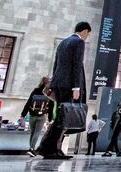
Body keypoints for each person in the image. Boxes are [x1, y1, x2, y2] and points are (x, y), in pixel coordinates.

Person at [38, 21, 90, 159]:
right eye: (88, 34)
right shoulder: (79, 42)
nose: (87, 37)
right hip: (69, 85)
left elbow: (56, 64)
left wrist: (54, 82)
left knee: (61, 116)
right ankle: (50, 148)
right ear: (85, 31)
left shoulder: (63, 42)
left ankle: (51, 148)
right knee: (64, 118)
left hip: (59, 83)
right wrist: (76, 87)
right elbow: (77, 65)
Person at [20, 76, 55, 157]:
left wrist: (23, 115)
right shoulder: (49, 92)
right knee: (37, 132)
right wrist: (50, 118)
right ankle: (32, 149)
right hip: (42, 116)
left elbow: (28, 103)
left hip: (32, 115)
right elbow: (51, 107)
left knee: (33, 132)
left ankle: (31, 148)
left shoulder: (36, 90)